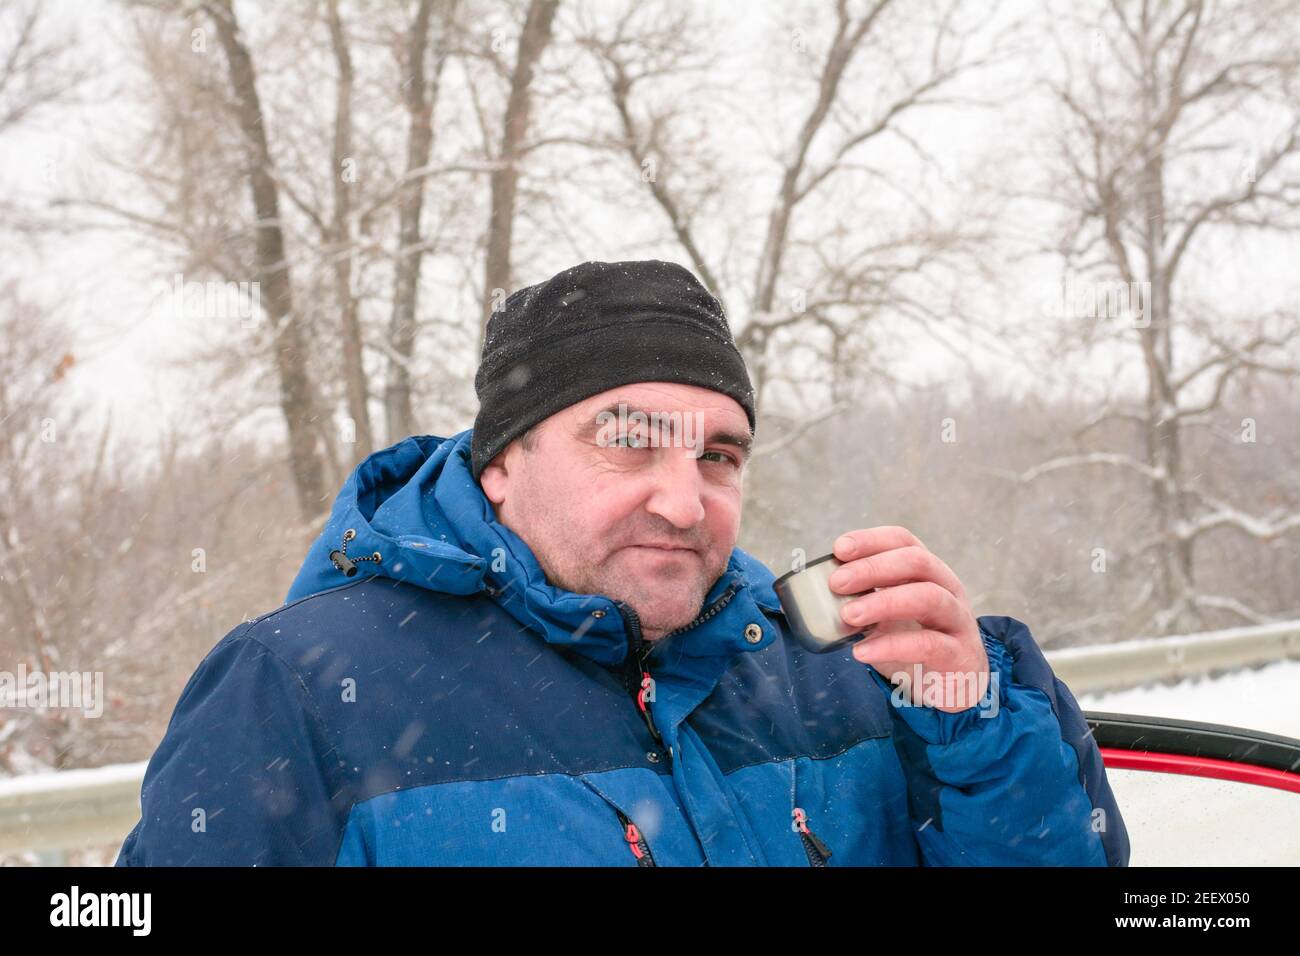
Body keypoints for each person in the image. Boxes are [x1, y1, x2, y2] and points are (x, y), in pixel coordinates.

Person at [116, 259, 1129, 866]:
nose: (683, 500)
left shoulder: (851, 668)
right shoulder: (295, 692)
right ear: (502, 464)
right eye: (629, 440)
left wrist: (972, 724)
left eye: (718, 454)